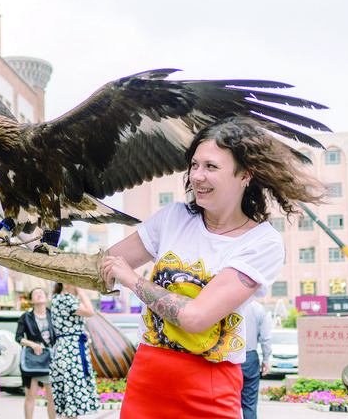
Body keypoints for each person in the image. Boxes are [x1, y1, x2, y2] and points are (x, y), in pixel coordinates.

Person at [100, 116, 326, 418]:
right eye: (194, 165)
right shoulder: (172, 218)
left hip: (208, 389)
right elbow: (102, 264)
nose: (197, 176)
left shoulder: (262, 243)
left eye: (211, 167)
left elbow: (195, 318)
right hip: (147, 379)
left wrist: (132, 280)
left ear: (245, 174)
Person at [50, 283, 100, 419]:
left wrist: (79, 331)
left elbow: (67, 324)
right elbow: (90, 312)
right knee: (72, 398)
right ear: (66, 284)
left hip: (66, 349)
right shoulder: (67, 299)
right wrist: (82, 293)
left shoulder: (57, 299)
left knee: (71, 400)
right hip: (71, 351)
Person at [15, 288, 56, 419]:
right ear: (31, 300)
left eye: (42, 293)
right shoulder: (26, 317)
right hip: (32, 360)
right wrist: (32, 344)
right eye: (35, 294)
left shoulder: (53, 315)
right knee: (31, 395)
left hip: (50, 359)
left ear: (46, 298)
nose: (39, 295)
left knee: (52, 397)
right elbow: (18, 337)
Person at [241, 300, 272, 419]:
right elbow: (265, 337)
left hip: (229, 357)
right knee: (250, 404)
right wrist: (266, 359)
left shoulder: (227, 303)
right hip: (250, 357)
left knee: (226, 400)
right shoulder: (258, 308)